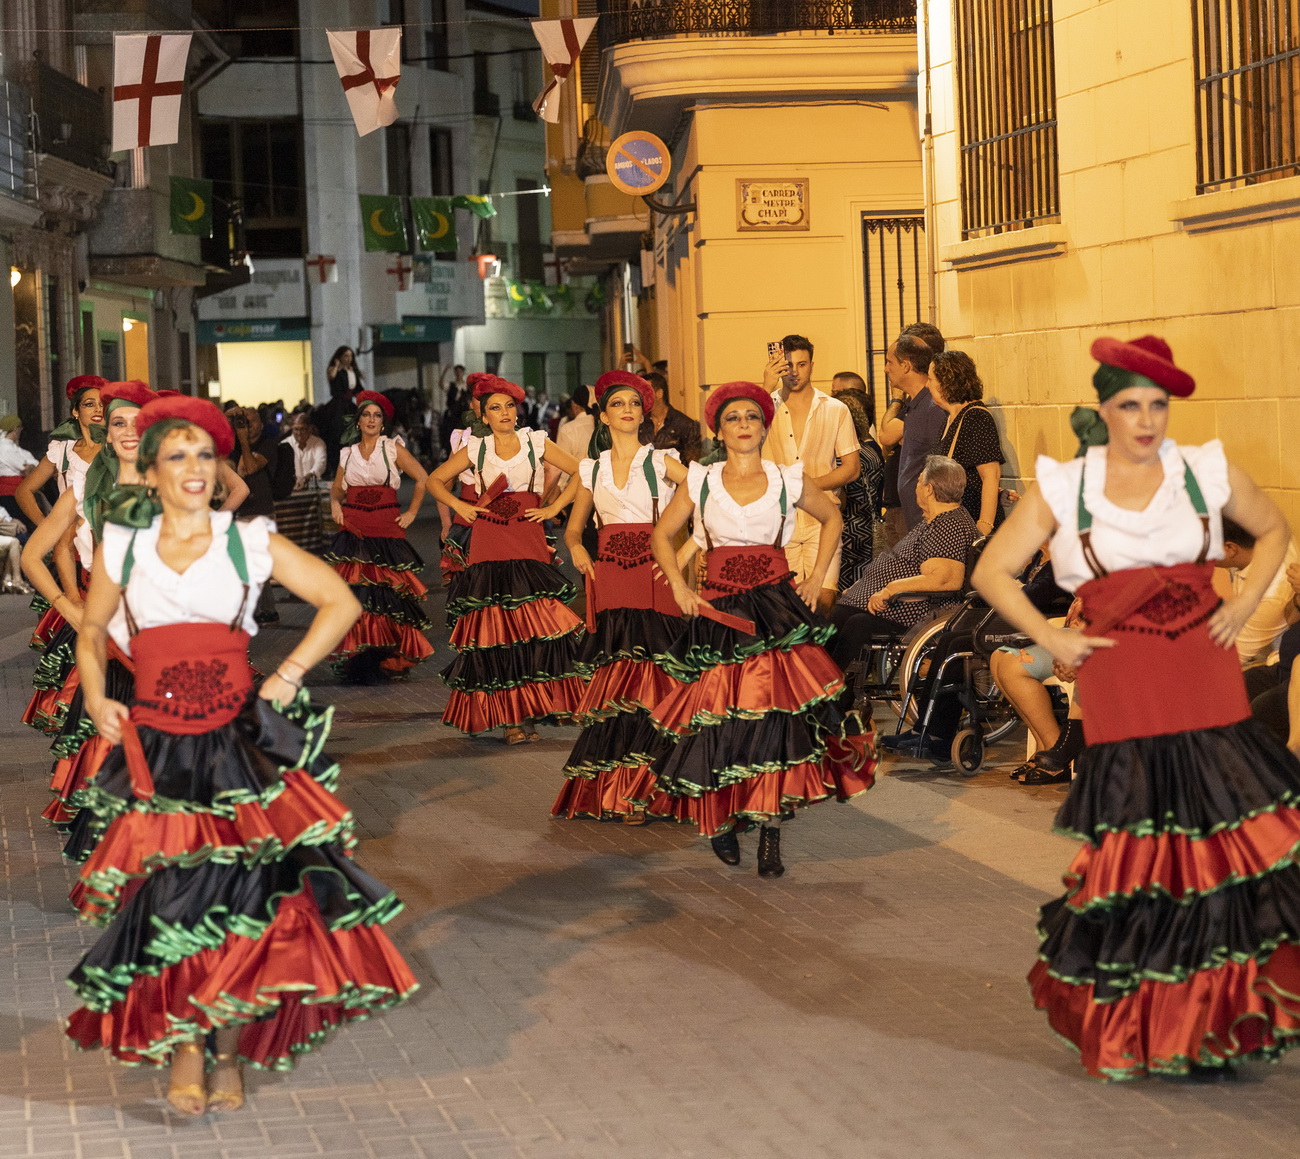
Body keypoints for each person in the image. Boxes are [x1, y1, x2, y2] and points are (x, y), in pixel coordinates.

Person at [66, 394, 417, 1115]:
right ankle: (187, 1045)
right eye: (177, 455)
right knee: (171, 896)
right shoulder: (123, 545)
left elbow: (340, 601)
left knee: (242, 901)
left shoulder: (248, 540)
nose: (194, 467)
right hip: (159, 746)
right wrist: (98, 696)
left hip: (237, 745)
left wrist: (288, 674)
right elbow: (93, 629)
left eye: (204, 453)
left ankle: (226, 1050)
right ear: (151, 471)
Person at [972, 333, 1300, 1082]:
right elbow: (992, 571)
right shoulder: (1066, 487)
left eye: (1158, 405)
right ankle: (1150, 1019)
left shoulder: (1204, 470)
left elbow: (1275, 529)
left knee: (1211, 841)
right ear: (1105, 409)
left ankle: (1209, 1022)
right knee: (1143, 845)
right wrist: (1051, 634)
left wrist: (1245, 598)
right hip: (1123, 682)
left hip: (1204, 670)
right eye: (1130, 405)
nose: (1147, 419)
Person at [645, 382, 876, 876]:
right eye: (733, 418)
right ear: (719, 430)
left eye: (752, 416)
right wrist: (679, 588)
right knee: (721, 717)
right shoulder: (701, 478)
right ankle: (723, 819)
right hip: (719, 612)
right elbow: (661, 535)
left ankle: (772, 831)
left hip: (776, 610)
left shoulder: (787, 477)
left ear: (765, 426)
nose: (744, 424)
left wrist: (815, 577)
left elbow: (832, 518)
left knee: (775, 719)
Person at [550, 370, 690, 823]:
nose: (627, 409)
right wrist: (576, 549)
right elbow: (574, 529)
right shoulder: (591, 469)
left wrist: (682, 555)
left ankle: (652, 791)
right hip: (611, 580)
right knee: (619, 690)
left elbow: (711, 498)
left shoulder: (663, 460)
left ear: (643, 413)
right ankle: (621, 791)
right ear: (604, 416)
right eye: (617, 404)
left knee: (660, 684)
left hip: (655, 578)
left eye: (634, 403)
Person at [21, 380, 154, 836]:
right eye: (118, 423)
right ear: (106, 431)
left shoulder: (174, 483)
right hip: (110, 636)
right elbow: (32, 556)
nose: (128, 432)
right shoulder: (82, 488)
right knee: (111, 738)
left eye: (137, 423)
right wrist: (68, 606)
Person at [428, 373, 585, 745]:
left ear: (517, 410)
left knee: (534, 628)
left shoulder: (536, 441)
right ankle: (511, 720)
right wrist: (458, 506)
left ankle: (531, 712)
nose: (504, 413)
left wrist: (554, 507)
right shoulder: (476, 448)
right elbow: (434, 480)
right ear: (483, 416)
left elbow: (583, 470)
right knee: (498, 633)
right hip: (489, 543)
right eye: (495, 408)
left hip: (528, 540)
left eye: (509, 406)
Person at [325, 390, 433, 683]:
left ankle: (387, 656)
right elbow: (338, 487)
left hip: (386, 528)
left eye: (376, 416)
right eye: (366, 415)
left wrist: (412, 512)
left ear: (382, 423)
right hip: (355, 528)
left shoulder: (392, 448)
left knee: (387, 595)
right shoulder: (348, 453)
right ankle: (359, 658)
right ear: (358, 421)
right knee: (358, 593)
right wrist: (335, 504)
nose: (371, 420)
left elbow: (423, 478)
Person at [761, 335, 860, 611]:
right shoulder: (763, 407)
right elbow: (740, 445)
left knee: (824, 599)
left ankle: (820, 642)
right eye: (788, 365)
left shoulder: (835, 409)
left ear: (812, 366)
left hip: (822, 519)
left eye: (802, 364)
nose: (794, 372)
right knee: (784, 605)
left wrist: (808, 486)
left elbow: (852, 468)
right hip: (778, 520)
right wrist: (765, 388)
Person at [230, 407, 296, 626]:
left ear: (260, 423)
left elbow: (249, 467)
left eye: (251, 421)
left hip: (260, 511)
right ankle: (262, 611)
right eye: (243, 421)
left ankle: (265, 611)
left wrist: (243, 440)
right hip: (239, 511)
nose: (248, 426)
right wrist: (226, 417)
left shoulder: (268, 444)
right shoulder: (232, 444)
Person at [928, 350, 1006, 535]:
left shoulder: (976, 417)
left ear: (945, 382)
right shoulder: (949, 419)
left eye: (930, 379)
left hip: (971, 522)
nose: (926, 385)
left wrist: (984, 527)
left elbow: (991, 475)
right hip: (953, 523)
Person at [879, 334, 945, 532]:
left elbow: (943, 465)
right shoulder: (914, 406)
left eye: (890, 362)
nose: (886, 369)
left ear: (906, 366)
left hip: (929, 522)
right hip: (914, 521)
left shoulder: (933, 407)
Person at [1215, 516, 1299, 668]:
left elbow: (1232, 658)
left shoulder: (1271, 594)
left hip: (1262, 659)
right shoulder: (1272, 531)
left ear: (1230, 549)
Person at [830, 371, 884, 589]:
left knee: (842, 593)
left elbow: (840, 499)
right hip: (869, 530)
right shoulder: (870, 451)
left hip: (848, 533)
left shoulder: (845, 457)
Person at [275, 414, 329, 555]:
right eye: (296, 429)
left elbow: (320, 465)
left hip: (312, 492)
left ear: (310, 429)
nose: (299, 433)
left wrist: (306, 478)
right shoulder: (285, 444)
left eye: (302, 429)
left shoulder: (318, 443)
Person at [639, 371, 701, 464]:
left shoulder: (685, 425)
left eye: (646, 392)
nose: (642, 397)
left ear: (659, 393)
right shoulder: (639, 423)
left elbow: (693, 465)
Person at [0, 413, 39, 528]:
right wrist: (30, 466)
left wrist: (32, 465)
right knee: (21, 526)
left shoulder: (14, 448)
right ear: (15, 429)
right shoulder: (4, 448)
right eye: (19, 428)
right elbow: (23, 467)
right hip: (9, 495)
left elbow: (35, 463)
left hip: (19, 492)